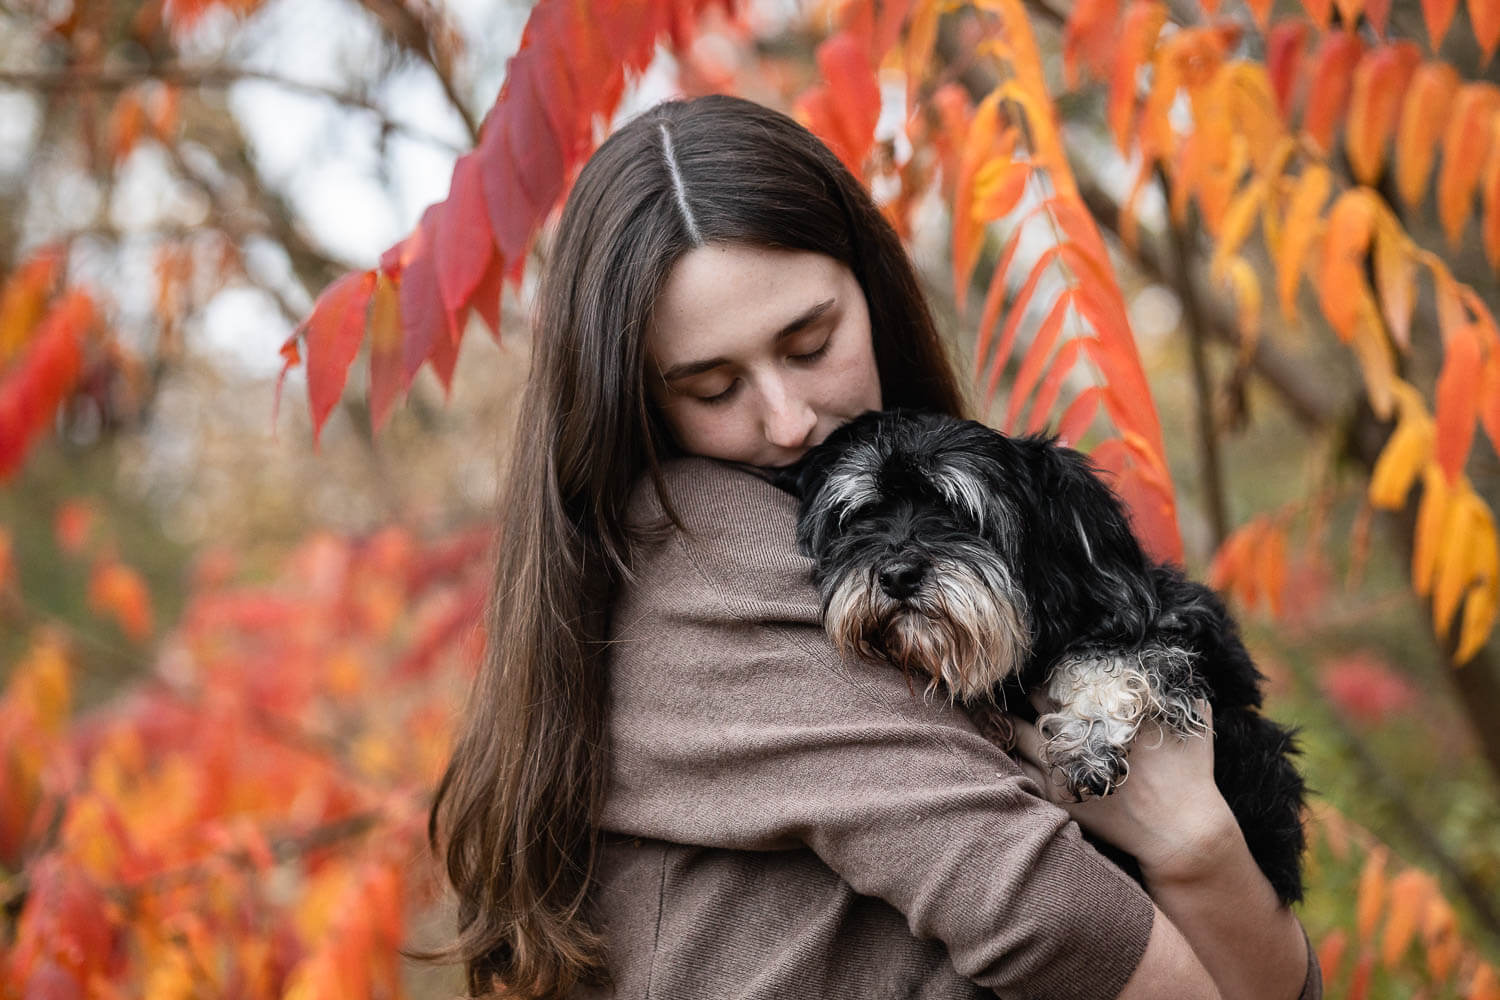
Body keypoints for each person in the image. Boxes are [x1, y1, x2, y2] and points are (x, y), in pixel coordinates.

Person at [427, 94, 1321, 1000]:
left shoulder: (964, 510)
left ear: (873, 290)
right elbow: (1045, 910)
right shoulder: (705, 540)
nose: (788, 422)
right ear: (639, 399)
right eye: (713, 387)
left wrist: (1196, 841)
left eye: (811, 344)